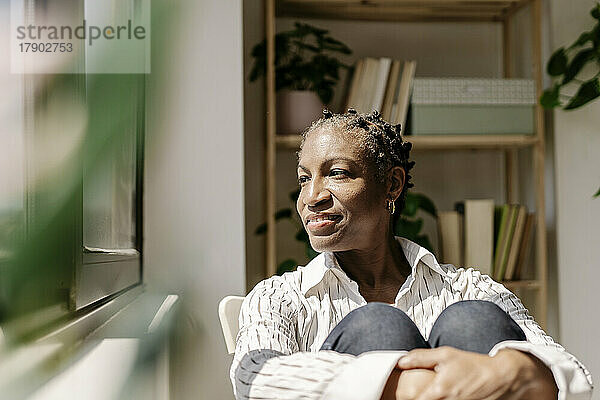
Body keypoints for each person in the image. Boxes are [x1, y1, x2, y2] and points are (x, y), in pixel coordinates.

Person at [231, 109, 593, 400]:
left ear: (392, 184)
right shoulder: (279, 297)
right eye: (304, 179)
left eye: (337, 174)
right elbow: (252, 377)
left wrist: (513, 371)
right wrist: (403, 385)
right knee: (378, 328)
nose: (312, 197)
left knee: (473, 321)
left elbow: (570, 372)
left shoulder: (469, 287)